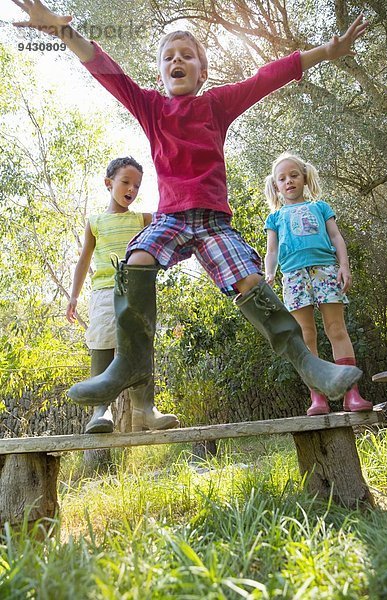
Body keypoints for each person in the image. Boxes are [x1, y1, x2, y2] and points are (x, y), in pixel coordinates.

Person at [12, 0, 368, 414]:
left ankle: (310, 367)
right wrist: (62, 32)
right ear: (161, 71)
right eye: (168, 58)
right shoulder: (151, 108)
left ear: (203, 71)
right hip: (171, 219)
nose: (176, 61)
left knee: (250, 280)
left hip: (213, 222)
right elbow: (108, 71)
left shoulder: (216, 105)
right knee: (139, 257)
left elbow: (266, 76)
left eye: (187, 56)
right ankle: (129, 363)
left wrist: (326, 51)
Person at [66, 156, 179, 432]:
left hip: (136, 292)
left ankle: (147, 410)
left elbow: (172, 219)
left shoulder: (142, 219)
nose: (131, 189)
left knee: (139, 347)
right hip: (105, 290)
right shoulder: (96, 222)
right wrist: (73, 296)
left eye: (137, 185)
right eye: (125, 182)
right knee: (102, 344)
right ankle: (100, 412)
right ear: (108, 183)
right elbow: (83, 260)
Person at [264, 152, 373, 415]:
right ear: (276, 186)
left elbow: (336, 238)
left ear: (304, 178)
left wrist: (344, 267)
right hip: (293, 276)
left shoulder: (321, 207)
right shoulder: (275, 218)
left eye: (293, 175)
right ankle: (318, 397)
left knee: (336, 329)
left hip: (326, 271)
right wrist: (269, 274)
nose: (288, 181)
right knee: (305, 335)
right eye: (282, 178)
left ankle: (351, 393)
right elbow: (271, 251)